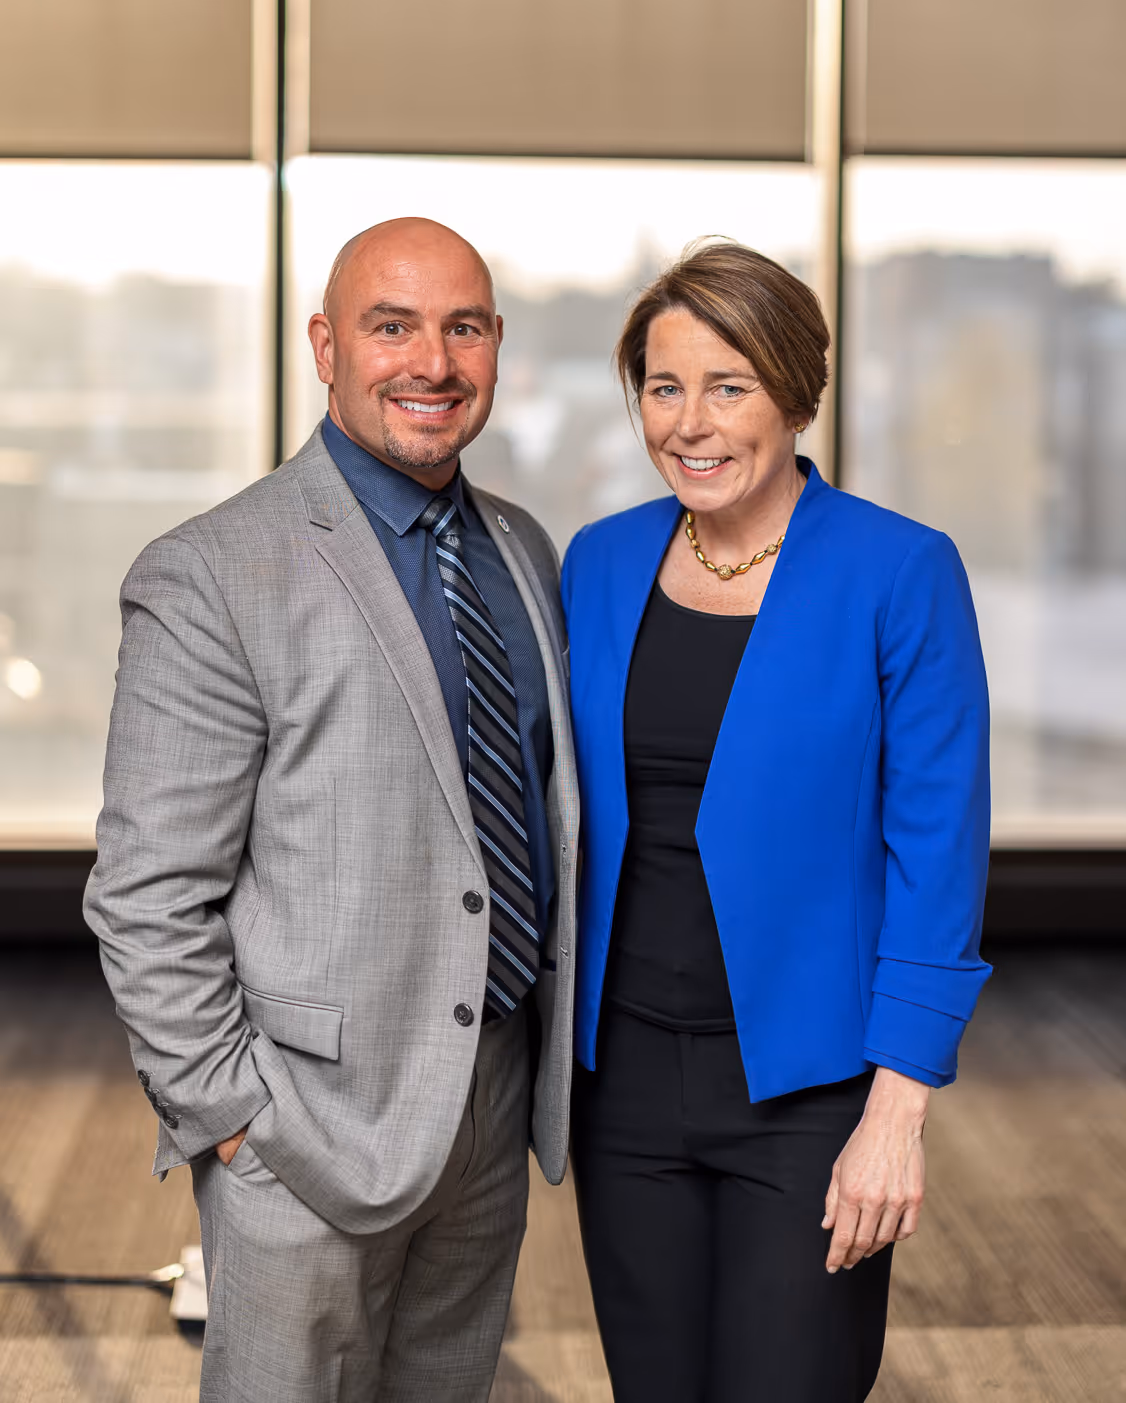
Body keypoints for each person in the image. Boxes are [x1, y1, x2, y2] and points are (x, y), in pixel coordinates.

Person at [84, 217, 578, 1403]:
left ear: (497, 346)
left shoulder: (523, 549)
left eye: (463, 327)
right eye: (390, 325)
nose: (432, 361)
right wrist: (232, 1123)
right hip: (302, 1128)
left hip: (491, 1100)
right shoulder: (213, 570)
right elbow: (147, 895)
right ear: (324, 344)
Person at [561, 241, 990, 1402]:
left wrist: (895, 1113)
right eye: (664, 387)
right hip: (625, 1085)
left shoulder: (899, 570)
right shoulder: (597, 564)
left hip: (807, 1094)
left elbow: (936, 856)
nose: (690, 424)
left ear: (796, 393)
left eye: (728, 385)